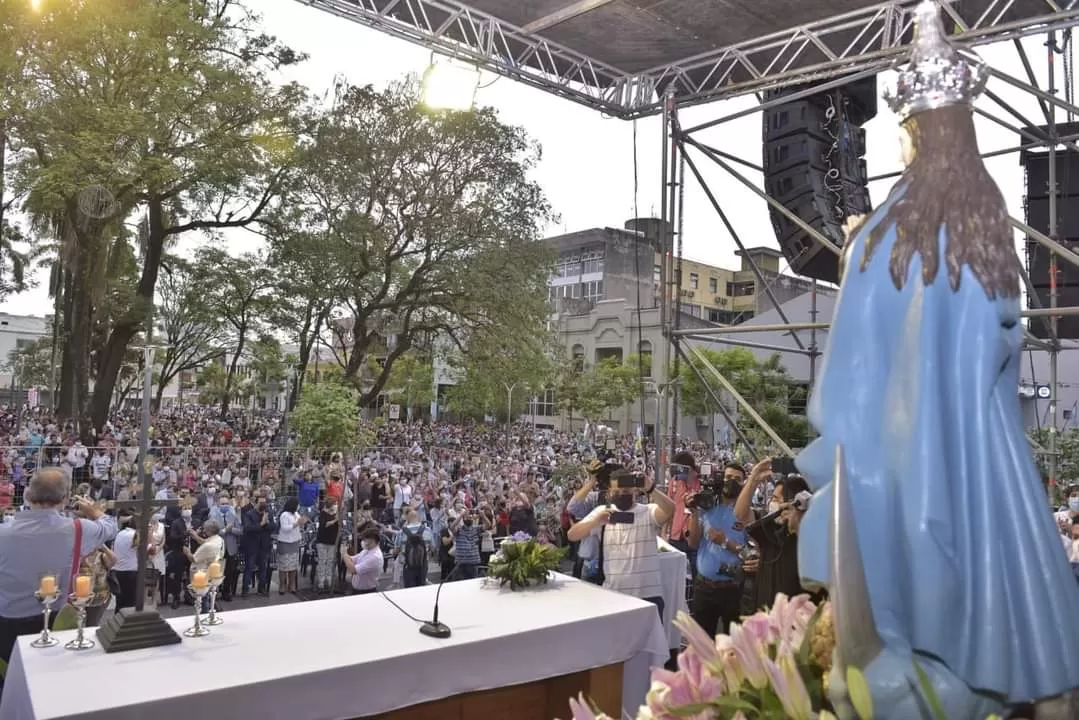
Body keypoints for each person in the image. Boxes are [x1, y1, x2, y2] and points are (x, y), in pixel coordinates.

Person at [793, 4, 1079, 715]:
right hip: (983, 455)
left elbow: (845, 380)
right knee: (1012, 592)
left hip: (890, 462)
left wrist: (835, 438)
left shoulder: (874, 240)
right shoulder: (988, 235)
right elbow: (1003, 343)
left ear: (911, 134)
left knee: (904, 602)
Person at [0, 469, 117, 682]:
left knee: (12, 682)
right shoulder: (78, 529)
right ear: (64, 499)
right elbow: (110, 527)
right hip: (57, 620)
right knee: (51, 681)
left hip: (9, 621)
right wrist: (94, 511)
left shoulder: (4, 533)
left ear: (27, 495)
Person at [567, 467, 673, 617]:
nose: (621, 495)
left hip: (648, 595)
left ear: (634, 491)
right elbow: (572, 535)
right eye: (616, 492)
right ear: (609, 492)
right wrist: (596, 521)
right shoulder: (603, 512)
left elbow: (670, 510)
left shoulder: (648, 511)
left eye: (626, 492)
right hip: (614, 594)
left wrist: (651, 488)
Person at [686, 462, 755, 637]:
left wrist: (725, 542)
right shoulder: (707, 507)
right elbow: (693, 543)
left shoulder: (747, 514)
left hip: (733, 590)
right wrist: (694, 512)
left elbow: (751, 555)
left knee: (734, 646)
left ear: (744, 483)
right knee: (701, 644)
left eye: (737, 479)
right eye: (728, 477)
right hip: (704, 587)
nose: (731, 482)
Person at [341, 527, 383, 594]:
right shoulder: (366, 550)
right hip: (357, 589)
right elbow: (352, 559)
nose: (363, 541)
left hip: (367, 592)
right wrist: (346, 556)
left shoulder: (375, 557)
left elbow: (353, 570)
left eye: (365, 539)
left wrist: (344, 553)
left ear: (372, 540)